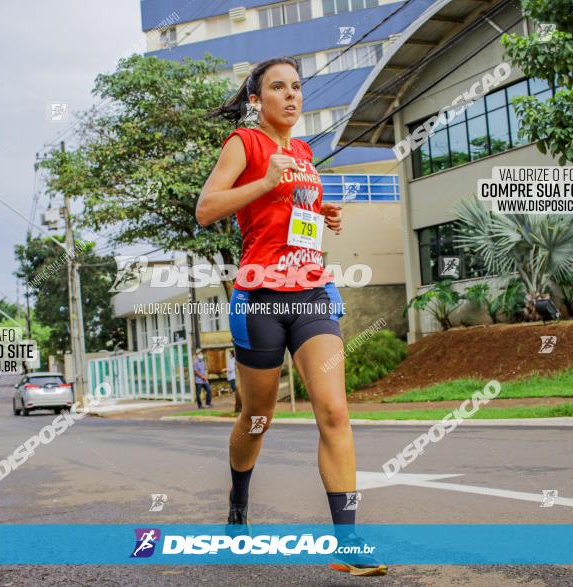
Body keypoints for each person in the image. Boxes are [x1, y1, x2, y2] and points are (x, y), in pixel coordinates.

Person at [197, 56, 386, 576]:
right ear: (257, 100)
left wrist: (321, 213)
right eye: (278, 87)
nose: (291, 95)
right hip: (261, 298)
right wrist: (263, 183)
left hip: (310, 292)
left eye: (297, 87)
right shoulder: (244, 144)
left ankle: (346, 544)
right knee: (257, 418)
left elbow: (295, 212)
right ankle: (238, 511)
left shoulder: (304, 152)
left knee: (334, 410)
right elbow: (207, 208)